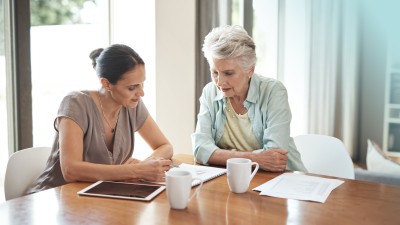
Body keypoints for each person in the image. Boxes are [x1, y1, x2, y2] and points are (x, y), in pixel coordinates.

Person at [28, 44, 173, 194]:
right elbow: (70, 170)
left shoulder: (132, 105)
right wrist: (135, 170)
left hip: (97, 198)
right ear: (106, 83)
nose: (141, 93)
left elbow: (165, 146)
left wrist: (147, 164)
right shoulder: (75, 104)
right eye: (132, 87)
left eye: (142, 84)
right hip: (53, 198)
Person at [192, 25, 306, 172]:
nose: (219, 82)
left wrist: (218, 155)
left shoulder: (273, 92)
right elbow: (200, 149)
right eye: (215, 72)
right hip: (233, 177)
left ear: (250, 70)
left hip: (280, 180)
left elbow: (274, 157)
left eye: (228, 73)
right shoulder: (210, 92)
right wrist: (255, 159)